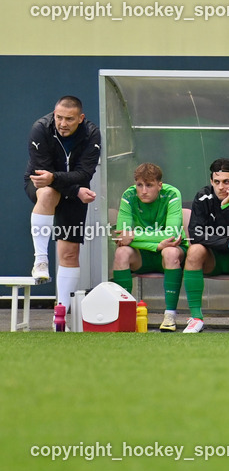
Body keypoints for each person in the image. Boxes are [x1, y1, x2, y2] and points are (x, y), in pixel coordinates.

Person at [25, 96, 101, 324]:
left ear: (81, 118)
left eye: (69, 119)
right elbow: (43, 174)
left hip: (74, 188)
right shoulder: (40, 128)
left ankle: (60, 317)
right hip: (42, 183)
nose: (62, 123)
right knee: (49, 192)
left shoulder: (92, 134)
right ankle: (40, 260)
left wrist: (74, 188)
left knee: (69, 254)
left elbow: (84, 173)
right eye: (59, 117)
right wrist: (75, 190)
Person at [181, 158, 229, 334]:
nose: (220, 187)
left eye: (226, 182)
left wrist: (227, 206)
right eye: (216, 182)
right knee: (194, 250)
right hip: (212, 260)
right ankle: (196, 318)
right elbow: (195, 234)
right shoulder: (203, 197)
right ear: (211, 181)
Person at [111, 163, 185, 332]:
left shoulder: (172, 194)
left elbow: (172, 235)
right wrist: (156, 245)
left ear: (159, 185)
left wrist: (134, 236)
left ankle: (170, 315)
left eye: (149, 185)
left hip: (169, 252)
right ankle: (124, 315)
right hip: (143, 254)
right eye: (139, 185)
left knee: (170, 251)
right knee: (121, 252)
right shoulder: (128, 195)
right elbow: (122, 237)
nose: (143, 191)